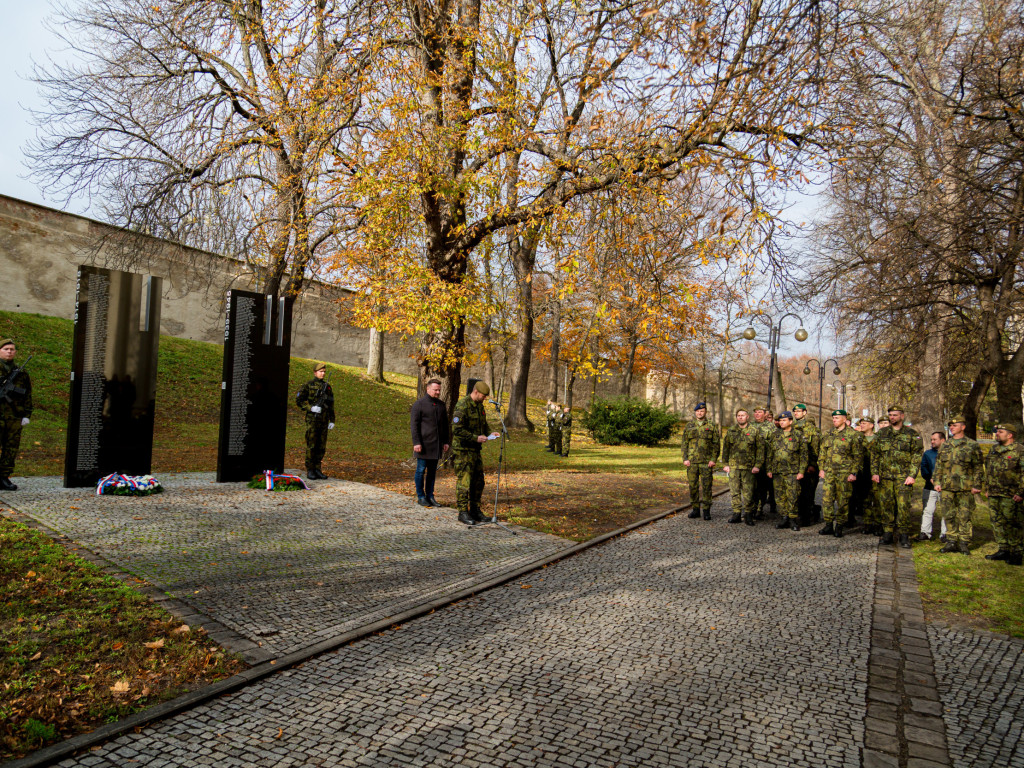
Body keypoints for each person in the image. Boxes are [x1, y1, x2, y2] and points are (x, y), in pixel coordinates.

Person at [870, 405, 924, 549]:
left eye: (895, 415)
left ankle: (904, 535)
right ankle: (887, 533)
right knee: (886, 505)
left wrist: (912, 475)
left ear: (902, 416)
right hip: (885, 477)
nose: (892, 417)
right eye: (890, 415)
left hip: (903, 477)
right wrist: (875, 472)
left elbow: (917, 456)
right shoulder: (881, 434)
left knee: (903, 506)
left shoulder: (912, 434)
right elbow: (875, 454)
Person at [451, 380, 500, 526]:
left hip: (475, 450)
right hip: (463, 450)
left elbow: (482, 424)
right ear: (476, 392)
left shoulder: (479, 407)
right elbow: (457, 430)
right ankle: (462, 512)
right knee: (464, 482)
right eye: (483, 395)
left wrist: (489, 433)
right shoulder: (462, 405)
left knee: (479, 481)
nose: (485, 398)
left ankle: (475, 509)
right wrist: (475, 438)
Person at [932, 415, 983, 555]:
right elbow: (939, 465)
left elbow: (978, 467)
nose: (952, 428)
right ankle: (951, 541)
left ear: (963, 427)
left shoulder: (972, 445)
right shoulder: (946, 445)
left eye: (955, 425)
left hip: (965, 487)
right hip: (947, 486)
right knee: (949, 514)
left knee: (964, 515)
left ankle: (964, 542)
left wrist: (977, 485)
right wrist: (936, 481)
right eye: (950, 426)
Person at [818, 409, 865, 538]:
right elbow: (822, 454)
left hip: (845, 474)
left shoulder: (853, 435)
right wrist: (821, 469)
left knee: (843, 500)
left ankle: (839, 525)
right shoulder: (827, 434)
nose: (834, 420)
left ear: (845, 419)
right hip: (829, 473)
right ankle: (828, 524)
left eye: (837, 418)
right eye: (833, 418)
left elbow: (858, 456)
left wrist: (853, 473)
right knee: (826, 500)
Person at [983, 423, 1024, 566]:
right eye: (997, 432)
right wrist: (987, 488)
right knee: (997, 522)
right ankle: (1003, 549)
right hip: (994, 492)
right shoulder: (994, 449)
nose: (997, 434)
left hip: (1011, 494)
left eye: (1000, 432)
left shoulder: (1019, 450)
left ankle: (1017, 552)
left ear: (1010, 435)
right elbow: (988, 469)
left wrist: (1021, 492)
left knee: (1013, 523)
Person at [411, 378, 450, 507]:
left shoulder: (441, 405)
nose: (438, 392)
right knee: (421, 470)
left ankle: (430, 496)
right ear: (428, 389)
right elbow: (414, 426)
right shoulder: (419, 404)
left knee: (432, 472)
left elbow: (444, 425)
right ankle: (420, 496)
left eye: (439, 390)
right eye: (435, 390)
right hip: (423, 445)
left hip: (436, 445)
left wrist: (446, 441)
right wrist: (416, 442)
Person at [721, 408, 764, 525]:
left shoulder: (754, 431)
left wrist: (757, 465)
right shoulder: (731, 431)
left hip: (749, 468)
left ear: (747, 417)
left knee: (748, 492)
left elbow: (760, 450)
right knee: (734, 491)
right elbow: (725, 449)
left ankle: (749, 514)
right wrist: (725, 464)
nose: (740, 417)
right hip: (734, 467)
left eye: (743, 415)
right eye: (738, 415)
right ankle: (736, 513)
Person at [766, 411, 807, 531]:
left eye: (784, 420)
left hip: (792, 471)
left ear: (790, 421)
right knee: (779, 496)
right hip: (777, 471)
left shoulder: (798, 435)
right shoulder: (775, 435)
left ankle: (793, 519)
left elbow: (804, 455)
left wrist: (801, 471)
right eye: (780, 420)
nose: (781, 422)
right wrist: (769, 468)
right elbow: (770, 454)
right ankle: (784, 517)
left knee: (793, 495)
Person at [0, 339, 32, 491]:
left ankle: (4, 477)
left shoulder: (21, 373)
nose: (9, 351)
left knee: (11, 447)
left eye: (12, 349)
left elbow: (27, 395)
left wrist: (27, 415)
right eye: (6, 348)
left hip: (14, 416)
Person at [295, 362, 335, 480]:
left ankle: (318, 469)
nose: (323, 373)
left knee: (321, 446)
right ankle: (310, 469)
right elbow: (299, 400)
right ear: (315, 372)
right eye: (320, 371)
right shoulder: (308, 385)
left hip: (323, 420)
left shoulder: (327, 387)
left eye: (324, 372)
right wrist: (310, 408)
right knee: (312, 445)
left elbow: (331, 404)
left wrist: (332, 420)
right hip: (313, 420)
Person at [682, 401, 720, 520]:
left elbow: (716, 444)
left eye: (702, 411)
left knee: (707, 486)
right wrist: (685, 459)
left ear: (705, 412)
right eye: (698, 411)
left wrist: (713, 459)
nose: (700, 413)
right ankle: (695, 509)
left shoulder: (712, 425)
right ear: (695, 412)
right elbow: (684, 443)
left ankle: (706, 510)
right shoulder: (689, 426)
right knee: (693, 486)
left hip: (706, 462)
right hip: (692, 462)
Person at [792, 404, 821, 525]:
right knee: (795, 493)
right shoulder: (791, 427)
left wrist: (813, 465)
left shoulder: (811, 429)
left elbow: (815, 448)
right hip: (794, 466)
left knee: (807, 493)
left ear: (805, 412)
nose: (796, 413)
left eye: (799, 411)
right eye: (795, 411)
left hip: (808, 467)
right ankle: (797, 516)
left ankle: (807, 517)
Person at [851, 416, 879, 533]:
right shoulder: (857, 438)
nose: (862, 425)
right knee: (865, 499)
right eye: (861, 423)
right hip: (862, 473)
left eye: (865, 423)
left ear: (871, 425)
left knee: (877, 499)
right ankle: (867, 524)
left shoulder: (878, 438)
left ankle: (878, 524)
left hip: (876, 473)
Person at [918, 432, 947, 542]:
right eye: (931, 439)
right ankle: (925, 532)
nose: (932, 442)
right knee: (927, 510)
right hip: (930, 487)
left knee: (946, 511)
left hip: (945, 487)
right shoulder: (928, 454)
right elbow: (924, 468)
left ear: (942, 440)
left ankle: (945, 533)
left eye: (934, 439)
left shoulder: (949, 453)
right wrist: (930, 478)